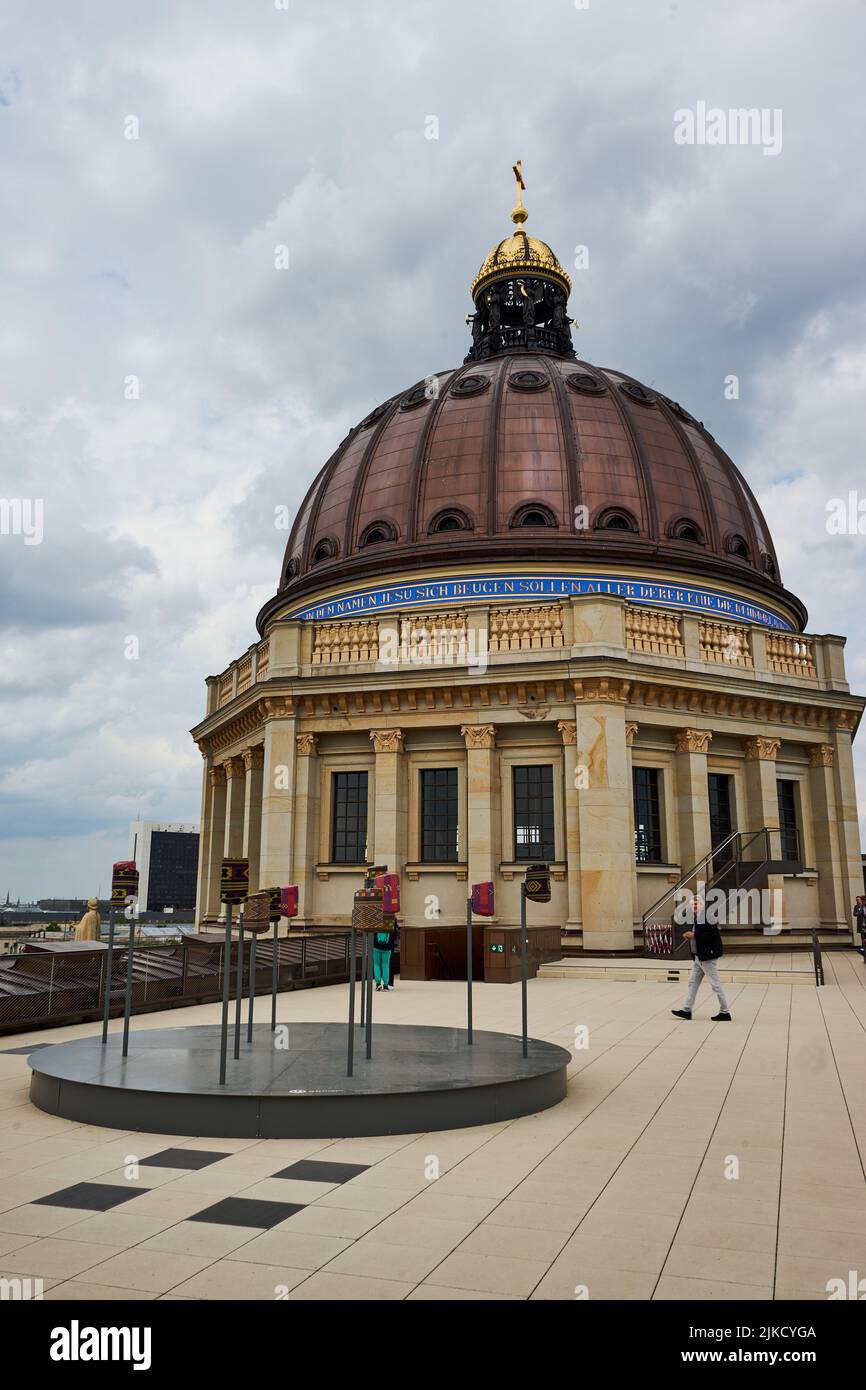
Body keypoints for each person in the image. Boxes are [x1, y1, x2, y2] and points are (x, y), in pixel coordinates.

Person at [671, 894, 732, 1021]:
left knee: (715, 984)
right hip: (698, 958)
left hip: (706, 958)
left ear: (702, 905)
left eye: (696, 904)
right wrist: (692, 935)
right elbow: (700, 934)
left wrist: (693, 934)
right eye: (692, 904)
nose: (694, 906)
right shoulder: (698, 917)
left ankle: (725, 1012)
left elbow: (711, 934)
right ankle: (686, 1010)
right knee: (692, 983)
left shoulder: (707, 916)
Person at [372, 918, 396, 991]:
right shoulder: (392, 919)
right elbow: (394, 932)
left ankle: (378, 984)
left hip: (376, 945)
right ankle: (386, 985)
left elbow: (373, 930)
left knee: (376, 965)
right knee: (386, 966)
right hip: (388, 946)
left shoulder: (377, 918)